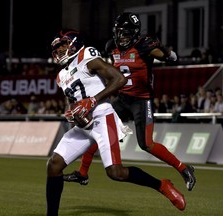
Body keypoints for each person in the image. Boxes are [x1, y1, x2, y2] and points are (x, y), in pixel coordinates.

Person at [46, 29, 186, 216]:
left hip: (103, 116)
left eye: (63, 45)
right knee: (54, 166)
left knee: (115, 172)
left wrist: (93, 101)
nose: (59, 50)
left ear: (74, 43)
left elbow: (119, 79)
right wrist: (72, 112)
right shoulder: (61, 75)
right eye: (57, 47)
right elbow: (73, 101)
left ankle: (162, 185)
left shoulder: (86, 55)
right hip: (84, 124)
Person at [63, 12, 196, 192]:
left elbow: (171, 57)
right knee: (98, 129)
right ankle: (82, 173)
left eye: (126, 32)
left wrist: (162, 46)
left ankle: (183, 168)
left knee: (146, 144)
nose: (122, 36)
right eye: (120, 32)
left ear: (134, 33)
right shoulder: (111, 47)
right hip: (123, 98)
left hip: (141, 100)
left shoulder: (145, 46)